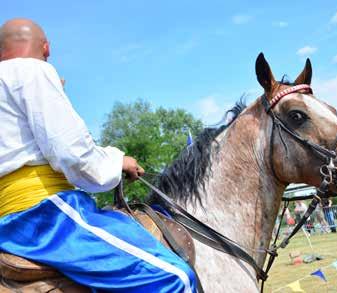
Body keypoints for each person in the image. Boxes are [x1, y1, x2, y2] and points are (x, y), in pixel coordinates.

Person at [0, 19, 196, 292]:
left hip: (7, 223)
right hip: (45, 216)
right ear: (47, 48)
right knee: (175, 277)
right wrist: (117, 162)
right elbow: (74, 155)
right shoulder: (33, 70)